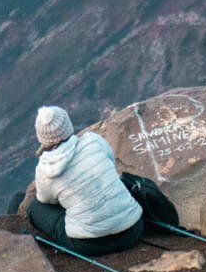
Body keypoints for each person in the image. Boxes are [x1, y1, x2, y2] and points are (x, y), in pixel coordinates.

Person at [26, 107, 143, 257]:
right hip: (132, 230)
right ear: (67, 125)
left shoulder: (46, 169)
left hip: (89, 244)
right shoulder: (94, 141)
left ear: (41, 136)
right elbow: (111, 167)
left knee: (35, 207)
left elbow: (45, 200)